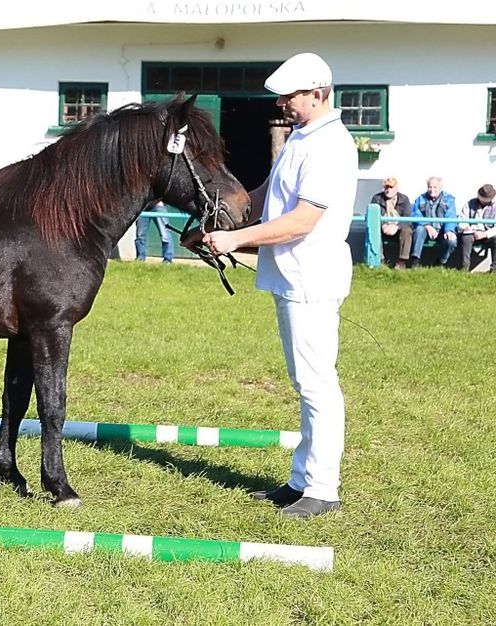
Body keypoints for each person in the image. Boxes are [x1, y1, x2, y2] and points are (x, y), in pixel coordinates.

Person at [200, 52, 356, 519]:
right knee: (304, 380)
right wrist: (223, 217)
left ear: (319, 93)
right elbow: (270, 193)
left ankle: (323, 487)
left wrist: (236, 238)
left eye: (292, 95)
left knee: (315, 384)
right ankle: (299, 481)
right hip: (291, 274)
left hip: (311, 274)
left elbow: (303, 220)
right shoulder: (301, 137)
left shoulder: (331, 145)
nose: (284, 102)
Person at [409, 176, 457, 268]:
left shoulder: (449, 199)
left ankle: (441, 262)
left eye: (435, 187)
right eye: (430, 187)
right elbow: (415, 214)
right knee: (419, 229)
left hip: (442, 230)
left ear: (440, 188)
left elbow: (451, 216)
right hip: (426, 230)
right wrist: (427, 225)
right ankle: (415, 262)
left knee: (451, 241)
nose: (432, 190)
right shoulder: (420, 198)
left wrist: (449, 230)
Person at [369, 177, 412, 268]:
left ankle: (401, 262)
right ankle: (379, 260)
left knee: (407, 231)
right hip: (383, 227)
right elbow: (373, 216)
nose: (388, 190)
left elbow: (407, 217)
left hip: (397, 227)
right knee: (374, 230)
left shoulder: (404, 199)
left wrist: (397, 227)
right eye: (386, 188)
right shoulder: (376, 198)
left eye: (391, 187)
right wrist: (383, 225)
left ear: (396, 188)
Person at [456, 183, 496, 272]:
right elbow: (461, 220)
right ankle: (464, 267)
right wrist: (470, 230)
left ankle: (494, 269)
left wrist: (485, 234)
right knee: (466, 238)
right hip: (471, 232)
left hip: (488, 233)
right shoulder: (469, 203)